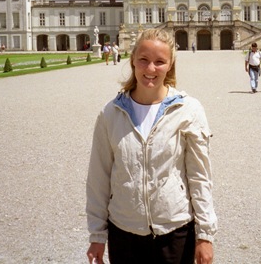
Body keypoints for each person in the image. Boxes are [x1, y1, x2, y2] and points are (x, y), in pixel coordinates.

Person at [86, 28, 217, 264]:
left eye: (159, 62)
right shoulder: (111, 113)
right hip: (124, 232)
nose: (150, 69)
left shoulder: (188, 110)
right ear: (133, 60)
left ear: (170, 65)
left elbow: (199, 177)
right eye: (144, 60)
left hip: (175, 231)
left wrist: (205, 235)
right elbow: (99, 177)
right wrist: (97, 235)